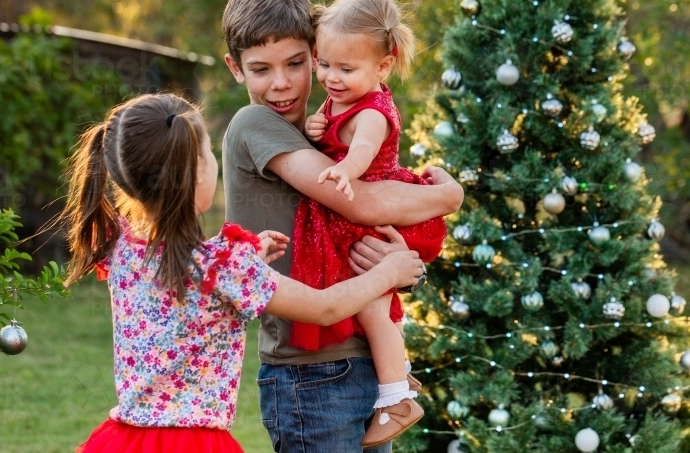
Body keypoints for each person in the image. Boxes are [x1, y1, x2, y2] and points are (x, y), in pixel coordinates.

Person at [66, 93, 425, 453]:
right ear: (195, 174)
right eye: (208, 153)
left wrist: (243, 255)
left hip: (127, 438)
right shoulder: (224, 267)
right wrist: (387, 272)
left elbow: (184, 279)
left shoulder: (120, 246)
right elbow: (324, 307)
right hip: (196, 443)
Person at [221, 0, 463, 452]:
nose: (282, 84)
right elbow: (364, 203)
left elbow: (381, 211)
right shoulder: (253, 124)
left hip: (365, 357)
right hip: (309, 373)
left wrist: (400, 268)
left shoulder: (334, 129)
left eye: (295, 63)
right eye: (261, 69)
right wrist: (449, 198)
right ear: (235, 68)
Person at [288, 0, 446, 447]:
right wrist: (316, 130)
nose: (331, 78)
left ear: (383, 67)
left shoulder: (373, 110)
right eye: (324, 64)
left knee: (375, 308)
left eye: (346, 69)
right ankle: (397, 378)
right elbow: (333, 130)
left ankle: (398, 398)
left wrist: (342, 170)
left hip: (368, 218)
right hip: (347, 221)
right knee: (367, 307)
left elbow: (360, 150)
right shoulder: (340, 98)